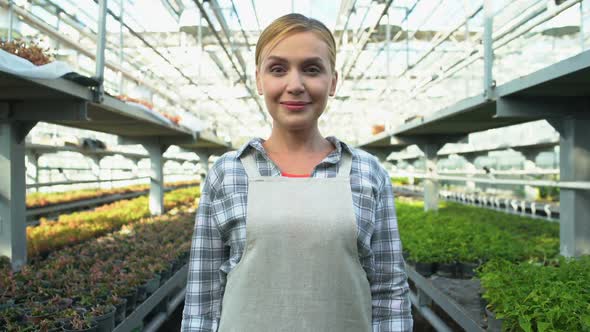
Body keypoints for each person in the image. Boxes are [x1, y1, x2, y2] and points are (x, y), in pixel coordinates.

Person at [181, 13, 412, 332]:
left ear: (332, 82)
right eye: (278, 69)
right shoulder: (227, 173)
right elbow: (201, 300)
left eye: (312, 69)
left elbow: (390, 294)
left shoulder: (368, 173)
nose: (295, 85)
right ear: (259, 80)